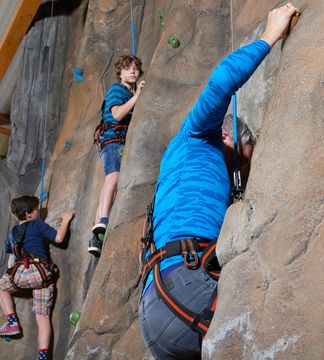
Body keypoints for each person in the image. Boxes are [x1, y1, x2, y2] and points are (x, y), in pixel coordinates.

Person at [139, 3, 300, 359]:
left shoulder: (184, 166)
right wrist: (271, 34)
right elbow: (222, 82)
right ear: (229, 137)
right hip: (185, 283)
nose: (239, 172)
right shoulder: (197, 135)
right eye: (242, 160)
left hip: (158, 303)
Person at [0, 195, 74, 360]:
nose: (38, 211)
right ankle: (42, 355)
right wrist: (66, 220)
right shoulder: (37, 224)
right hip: (41, 273)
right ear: (28, 214)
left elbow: (8, 249)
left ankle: (12, 322)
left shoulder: (13, 233)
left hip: (21, 273)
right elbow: (59, 238)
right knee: (42, 316)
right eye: (36, 209)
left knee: (1, 287)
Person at [89, 55, 146, 256]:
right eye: (127, 68)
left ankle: (96, 237)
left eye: (136, 69)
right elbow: (116, 115)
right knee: (112, 177)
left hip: (118, 141)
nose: (132, 71)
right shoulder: (118, 90)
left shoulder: (129, 92)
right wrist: (137, 95)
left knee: (112, 182)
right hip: (112, 139)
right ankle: (103, 220)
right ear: (120, 73)